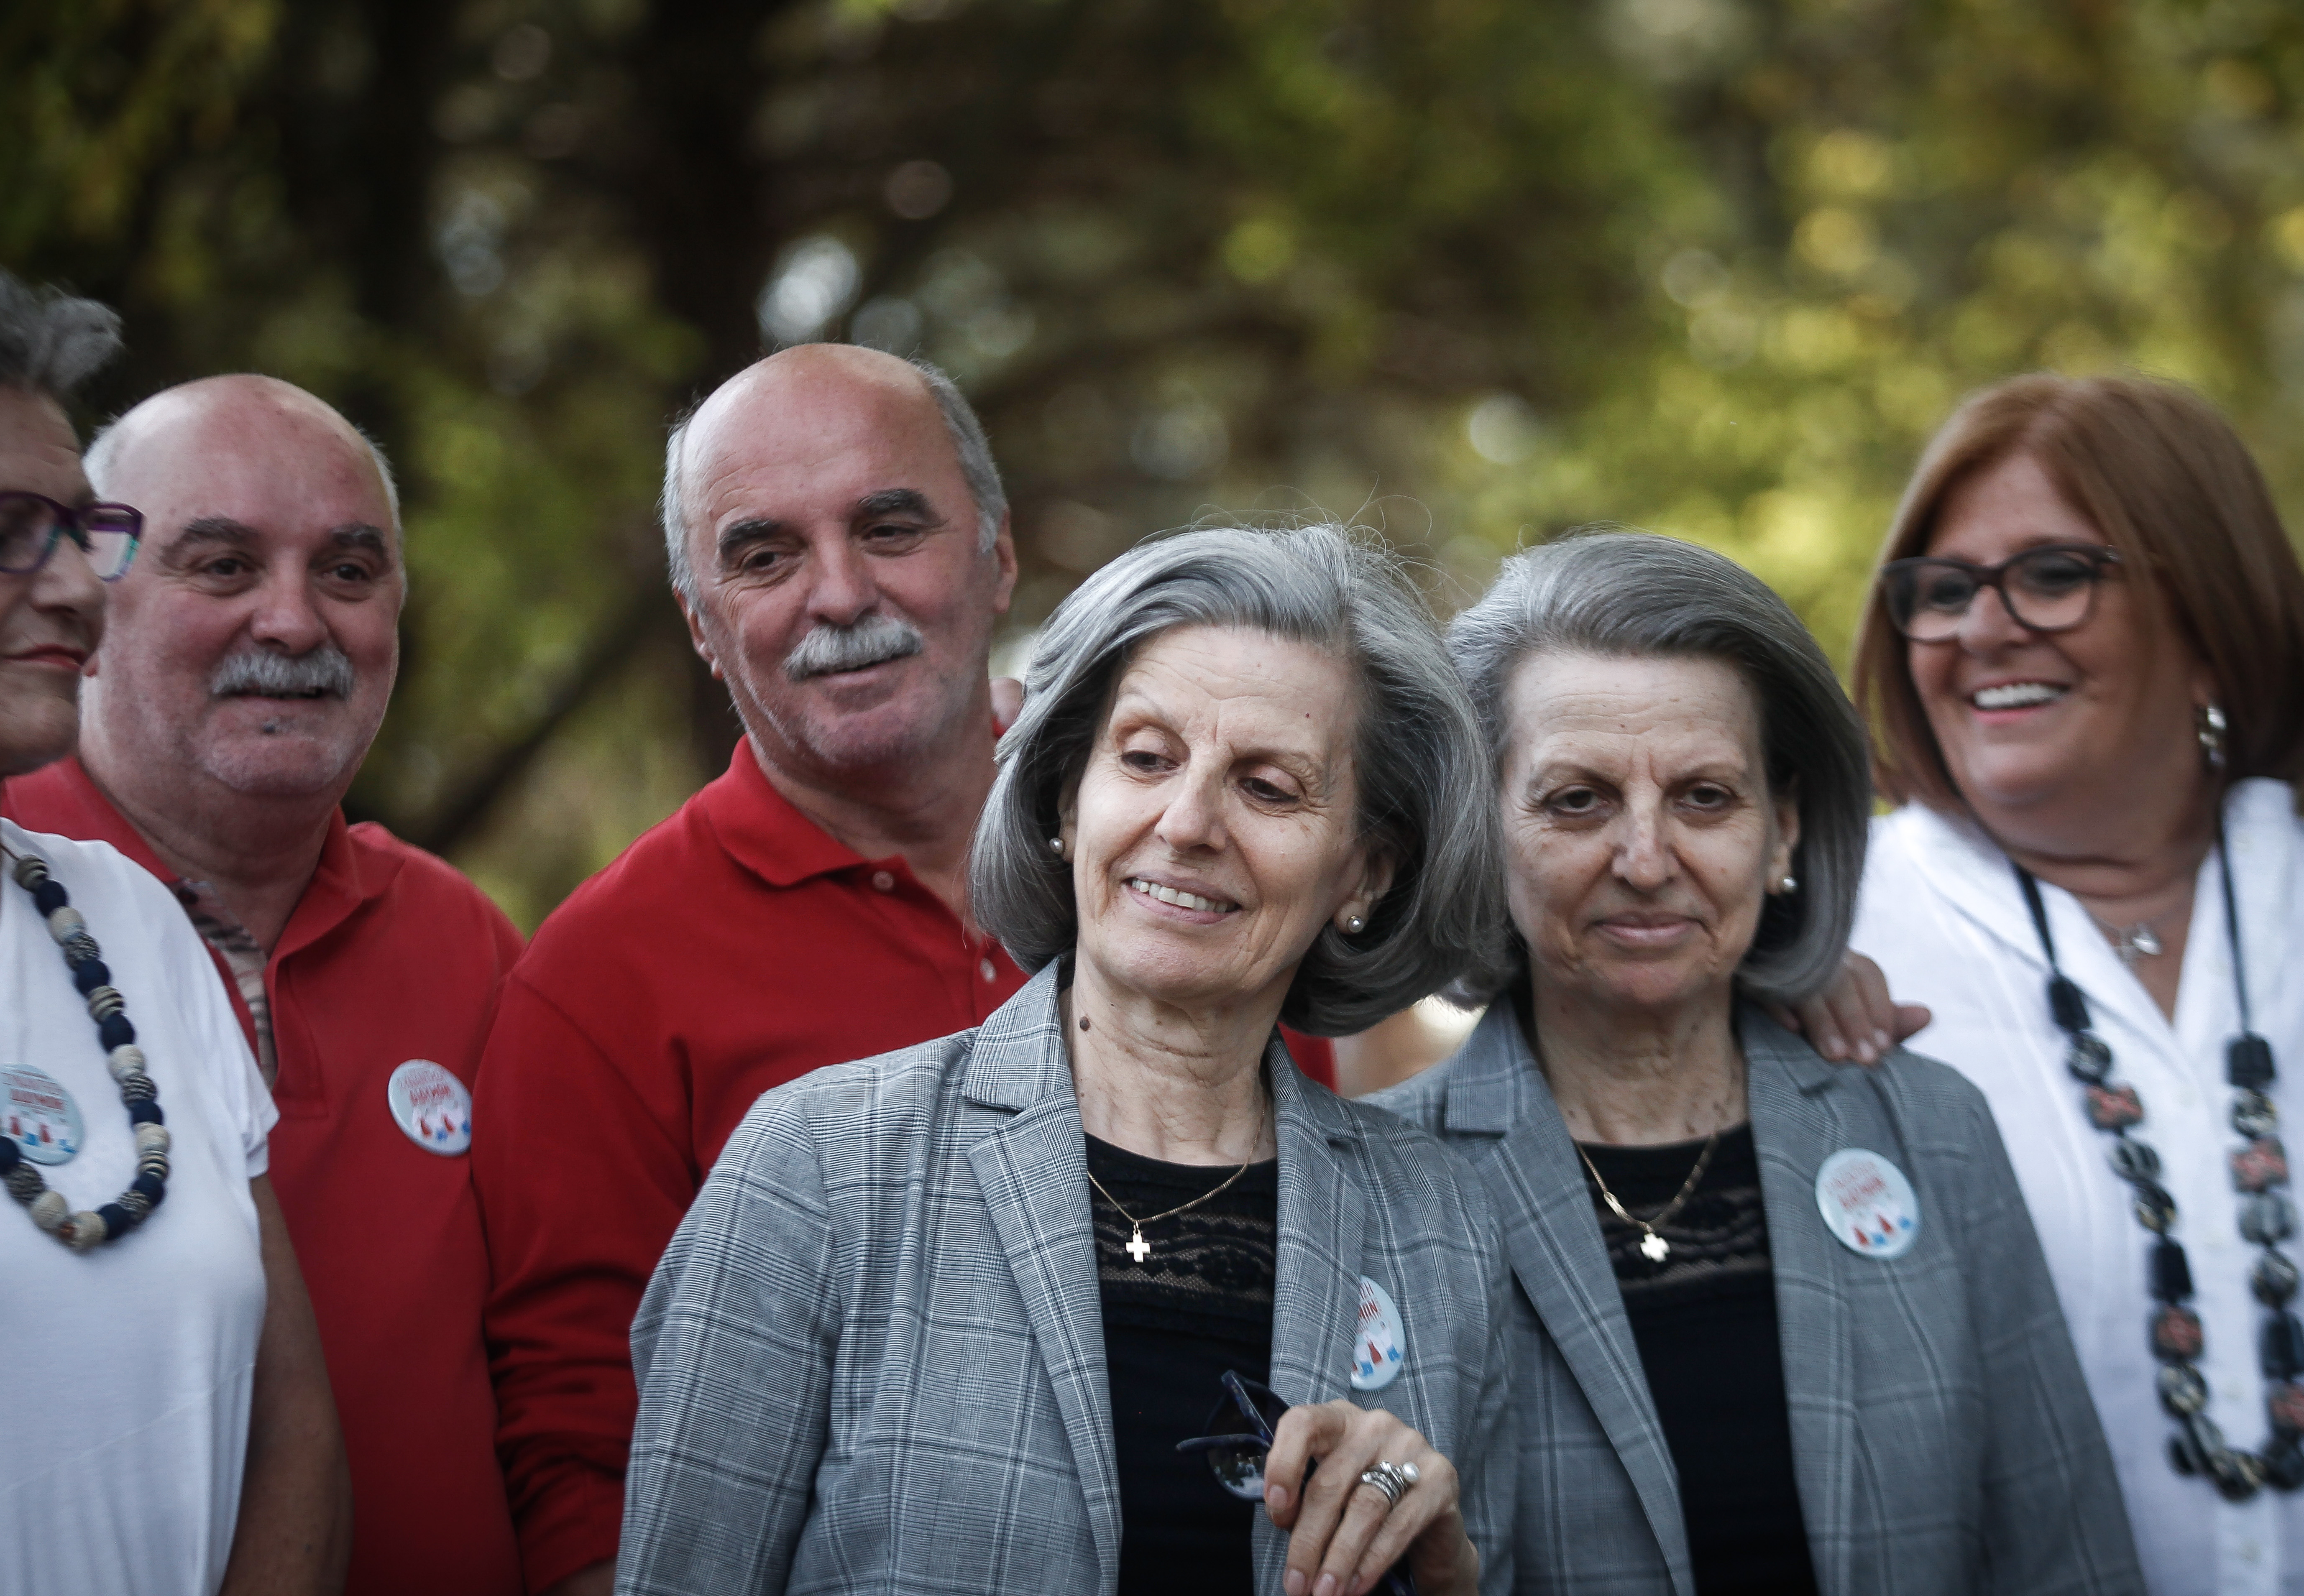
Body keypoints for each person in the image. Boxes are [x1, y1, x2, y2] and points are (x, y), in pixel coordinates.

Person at [473, 340, 1346, 1596]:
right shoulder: (599, 985)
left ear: (997, 556)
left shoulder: (1199, 878)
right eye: (763, 555)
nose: (837, 594)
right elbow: (588, 1471)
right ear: (702, 624)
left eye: (890, 526)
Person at [619, 523, 1514, 1596]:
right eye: (1145, 758)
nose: (1186, 823)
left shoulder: (1444, 1226)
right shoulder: (817, 1168)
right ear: (1063, 797)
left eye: (1268, 787)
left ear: (1364, 873)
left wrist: (1451, 1575)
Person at [1381, 531, 2142, 1594]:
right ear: (1481, 832)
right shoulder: (1378, 1186)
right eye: (1576, 799)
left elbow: (2069, 1557)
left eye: (1704, 797)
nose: (1645, 861)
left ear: (1782, 829)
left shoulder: (1932, 1133)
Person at [1845, 374, 2304, 1595]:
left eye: (2050, 574)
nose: (1981, 628)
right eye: (1940, 591)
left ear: (2209, 615)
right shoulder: (1808, 952)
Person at [3, 373, 525, 1596]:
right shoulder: (40, 900)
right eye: (224, 566)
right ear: (100, 598)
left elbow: (566, 1363)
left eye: (347, 572)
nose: (294, 622)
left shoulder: (471, 945)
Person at [0, 272, 349, 1593]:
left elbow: (292, 1432)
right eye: (6, 534)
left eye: (81, 537)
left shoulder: (127, 920)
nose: (79, 596)